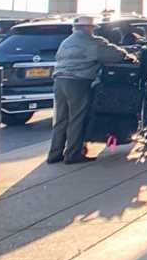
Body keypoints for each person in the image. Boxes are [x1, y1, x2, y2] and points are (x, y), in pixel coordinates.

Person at [48, 15, 135, 165]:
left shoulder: (66, 42)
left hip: (59, 81)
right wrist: (129, 55)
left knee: (61, 118)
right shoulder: (91, 42)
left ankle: (54, 154)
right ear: (89, 28)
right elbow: (115, 55)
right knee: (77, 118)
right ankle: (73, 154)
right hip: (78, 82)